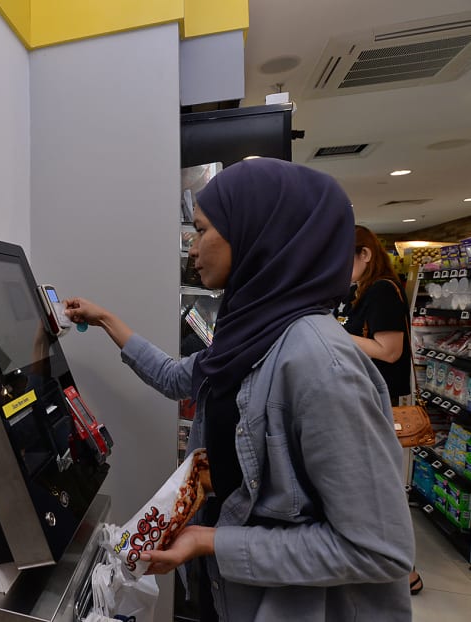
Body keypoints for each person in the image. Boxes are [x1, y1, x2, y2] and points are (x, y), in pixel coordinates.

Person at [64, 158, 414, 621]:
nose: (192, 247)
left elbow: (379, 550)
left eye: (203, 230)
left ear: (258, 234)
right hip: (231, 593)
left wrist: (211, 541)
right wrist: (106, 319)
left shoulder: (320, 365)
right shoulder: (252, 332)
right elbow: (174, 376)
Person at [338, 224, 422, 595]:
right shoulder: (362, 292)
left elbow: (389, 350)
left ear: (365, 254)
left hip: (381, 403)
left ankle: (406, 572)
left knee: (379, 487)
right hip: (368, 400)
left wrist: (334, 332)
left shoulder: (384, 292)